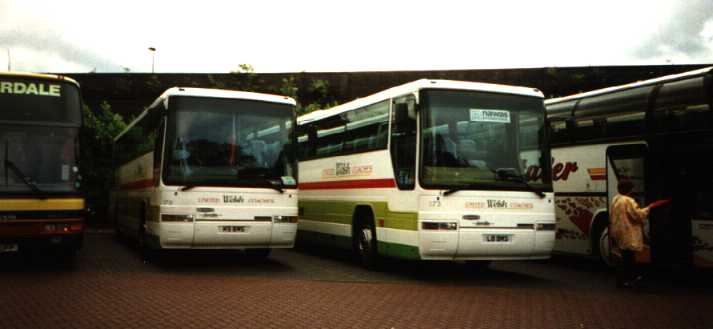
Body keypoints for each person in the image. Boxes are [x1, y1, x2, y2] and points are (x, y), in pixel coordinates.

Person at [609, 179, 651, 289]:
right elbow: (638, 215)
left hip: (619, 233)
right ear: (629, 189)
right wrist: (648, 208)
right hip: (629, 233)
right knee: (629, 259)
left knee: (623, 257)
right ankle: (629, 281)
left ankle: (622, 280)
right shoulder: (628, 201)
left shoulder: (615, 199)